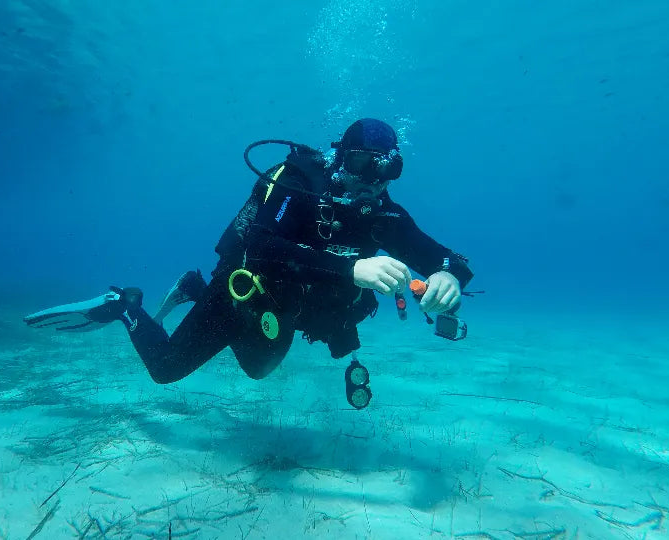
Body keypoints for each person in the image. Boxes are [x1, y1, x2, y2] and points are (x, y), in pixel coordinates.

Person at [25, 118, 474, 389]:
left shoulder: (383, 216)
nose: (370, 183)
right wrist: (351, 267)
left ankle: (190, 289)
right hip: (243, 286)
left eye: (386, 170)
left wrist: (448, 276)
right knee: (165, 370)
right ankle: (123, 304)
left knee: (258, 370)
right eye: (360, 166)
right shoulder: (296, 180)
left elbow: (448, 259)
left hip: (282, 306)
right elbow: (260, 244)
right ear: (340, 159)